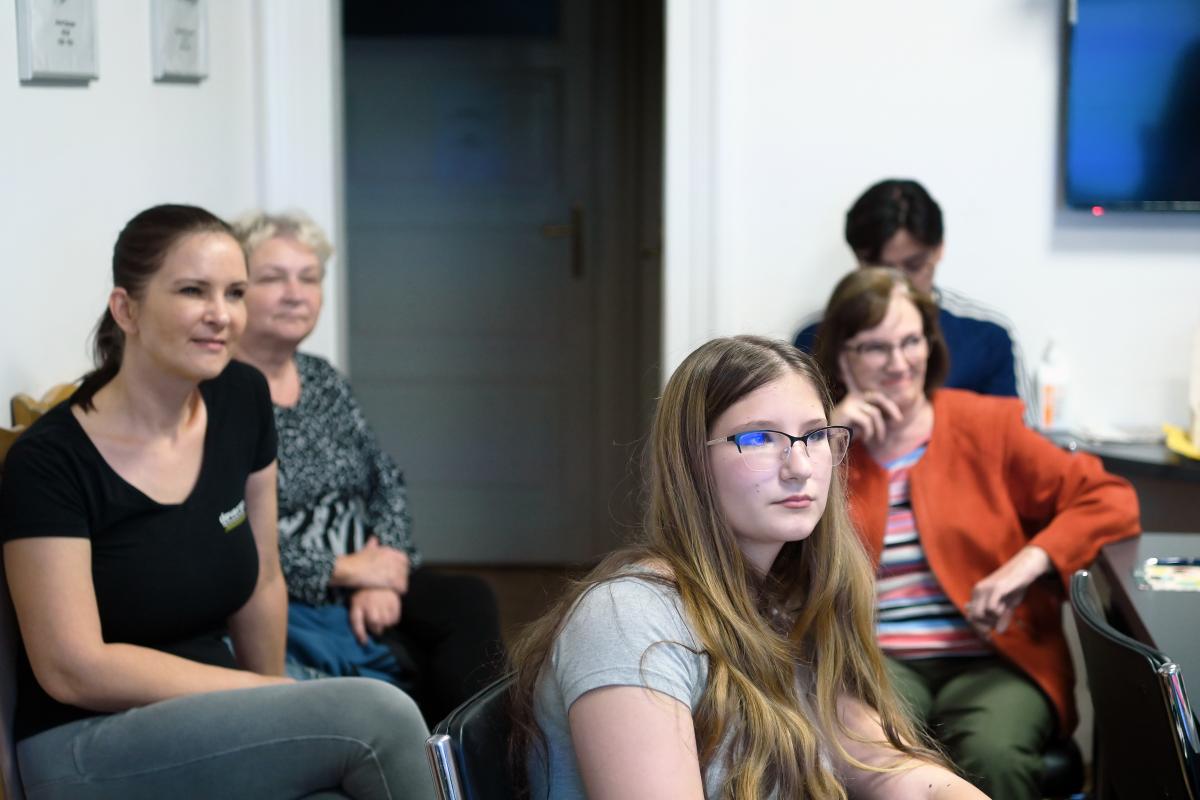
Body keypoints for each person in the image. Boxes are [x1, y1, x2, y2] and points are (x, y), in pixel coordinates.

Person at [0, 204, 436, 800]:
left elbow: (263, 578)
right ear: (126, 309)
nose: (221, 314)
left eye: (234, 293)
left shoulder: (241, 397)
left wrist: (274, 703)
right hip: (86, 742)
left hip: (212, 708)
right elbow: (72, 669)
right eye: (192, 291)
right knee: (380, 714)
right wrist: (263, 694)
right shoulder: (49, 461)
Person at [508, 335, 991, 799]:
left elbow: (885, 766)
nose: (800, 466)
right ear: (691, 461)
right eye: (759, 438)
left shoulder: (778, 604)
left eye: (815, 435)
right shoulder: (629, 619)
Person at [814, 267, 1140, 800]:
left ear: (930, 343)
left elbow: (1109, 498)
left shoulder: (987, 426)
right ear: (843, 358)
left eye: (911, 341)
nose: (899, 362)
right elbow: (783, 552)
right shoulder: (822, 447)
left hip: (996, 659)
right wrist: (827, 439)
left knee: (992, 754)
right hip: (876, 660)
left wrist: (1029, 562)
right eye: (875, 347)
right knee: (872, 758)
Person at [231, 209, 503, 725]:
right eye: (273, 278)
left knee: (467, 600)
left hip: (371, 570)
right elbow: (229, 528)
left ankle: (479, 757)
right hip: (292, 587)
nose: (295, 294)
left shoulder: (322, 377)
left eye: (309, 278)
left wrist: (386, 570)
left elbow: (386, 481)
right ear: (237, 290)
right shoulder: (219, 393)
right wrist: (344, 571)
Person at [794, 178, 1024, 399]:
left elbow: (1013, 424)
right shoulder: (818, 335)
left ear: (939, 249)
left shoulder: (986, 335)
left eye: (914, 266)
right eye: (882, 270)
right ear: (859, 259)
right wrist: (835, 422)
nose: (899, 283)